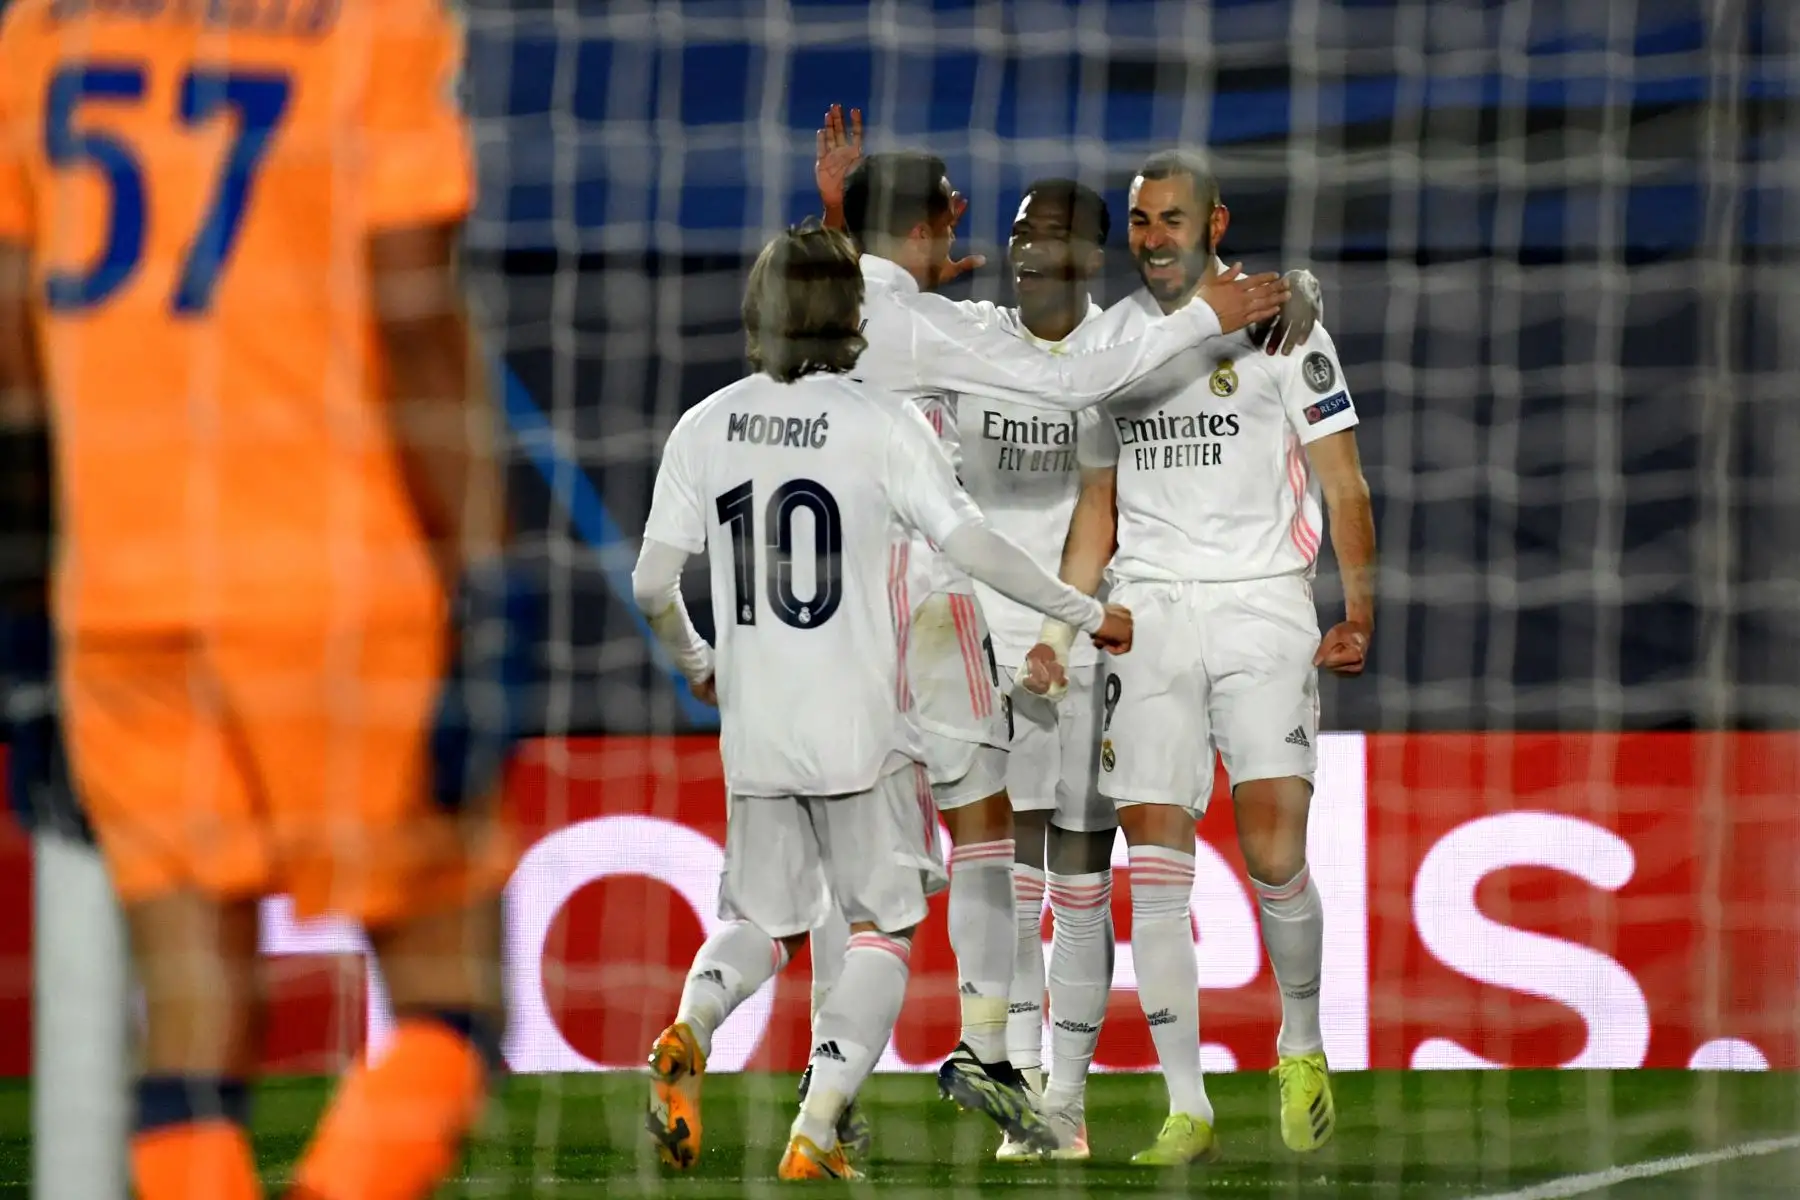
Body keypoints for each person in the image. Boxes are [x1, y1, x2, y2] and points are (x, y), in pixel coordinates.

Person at [0, 4, 522, 1198]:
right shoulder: (376, 19)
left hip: (118, 582)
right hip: (331, 573)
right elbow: (412, 308)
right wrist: (487, 575)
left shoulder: (42, 25)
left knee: (191, 1024)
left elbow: (11, 343)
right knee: (450, 1000)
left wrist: (26, 613)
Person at [810, 105, 1324, 1162]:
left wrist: (1299, 294)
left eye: (1050, 238)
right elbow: (859, 317)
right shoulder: (969, 335)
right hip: (968, 641)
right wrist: (850, 224)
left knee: (1080, 887)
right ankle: (1023, 1081)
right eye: (1016, 238)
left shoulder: (1121, 347)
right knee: (1003, 878)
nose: (1028, 254)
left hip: (1087, 641)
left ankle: (1069, 1104)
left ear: (1091, 257)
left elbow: (1113, 472)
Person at [632, 223, 1132, 1180]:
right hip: (861, 723)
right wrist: (1084, 612)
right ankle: (818, 1129)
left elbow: (652, 581)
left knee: (763, 922)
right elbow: (973, 547)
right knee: (883, 929)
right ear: (851, 314)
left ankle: (691, 1023)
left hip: (755, 726)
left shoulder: (705, 422)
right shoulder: (882, 422)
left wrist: (696, 661)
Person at [1024, 148, 1376, 1165]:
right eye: (1140, 221)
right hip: (1149, 615)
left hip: (1264, 606)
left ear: (1214, 226)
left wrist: (1358, 610)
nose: (1152, 238)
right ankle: (1188, 1108)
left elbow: (1342, 481)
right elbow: (1097, 508)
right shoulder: (1113, 346)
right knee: (1155, 864)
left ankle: (1301, 1042)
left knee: (1272, 851)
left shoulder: (1284, 325)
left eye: (1171, 219)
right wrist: (1060, 629)